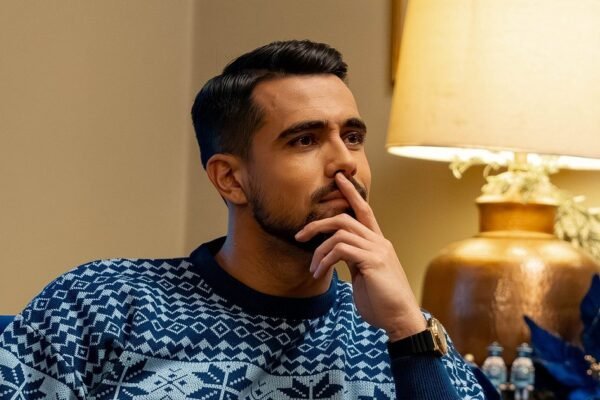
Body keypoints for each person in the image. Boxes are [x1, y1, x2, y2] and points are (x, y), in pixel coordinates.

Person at [0, 40, 496, 399]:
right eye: (305, 140)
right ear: (230, 179)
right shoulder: (100, 303)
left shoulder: (405, 332)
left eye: (352, 137)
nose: (344, 162)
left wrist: (408, 333)